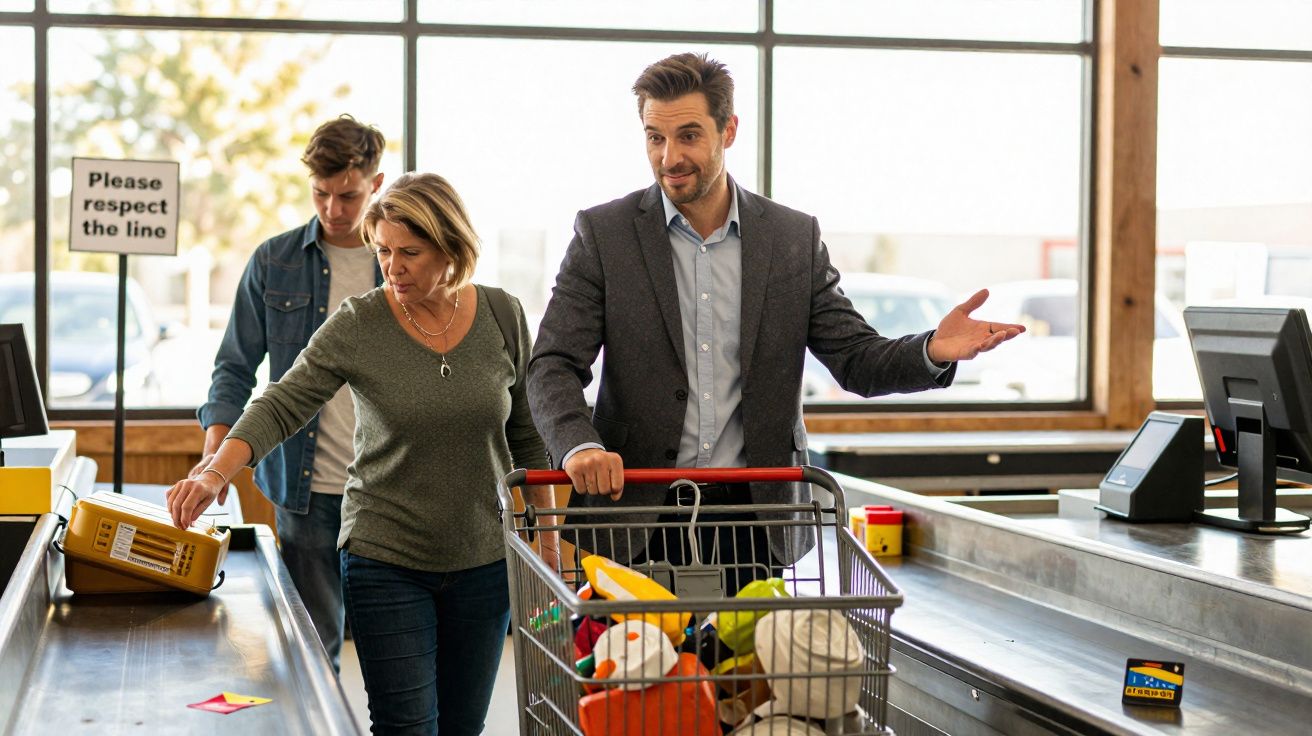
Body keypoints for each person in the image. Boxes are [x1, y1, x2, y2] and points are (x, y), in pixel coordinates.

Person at [526, 52, 1023, 586]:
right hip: (634, 514)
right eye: (655, 138)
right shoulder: (605, 234)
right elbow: (552, 362)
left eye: (689, 136)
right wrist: (580, 444)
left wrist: (932, 350)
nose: (670, 156)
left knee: (748, 671)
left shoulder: (792, 239)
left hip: (756, 520)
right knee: (641, 672)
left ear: (729, 130)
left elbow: (855, 360)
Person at [169, 172, 555, 735]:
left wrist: (543, 541)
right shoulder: (361, 322)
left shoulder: (503, 315)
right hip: (386, 557)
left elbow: (527, 437)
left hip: (484, 563)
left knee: (463, 727)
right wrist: (213, 473)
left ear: (451, 248)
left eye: (409, 253)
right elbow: (282, 402)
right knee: (406, 727)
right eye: (383, 252)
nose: (392, 268)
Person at [192, 115, 386, 670]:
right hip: (305, 489)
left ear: (376, 182)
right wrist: (215, 460)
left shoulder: (402, 262)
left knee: (391, 652)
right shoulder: (273, 262)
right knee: (312, 649)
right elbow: (233, 370)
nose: (334, 210)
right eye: (321, 194)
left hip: (387, 488)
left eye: (348, 195)